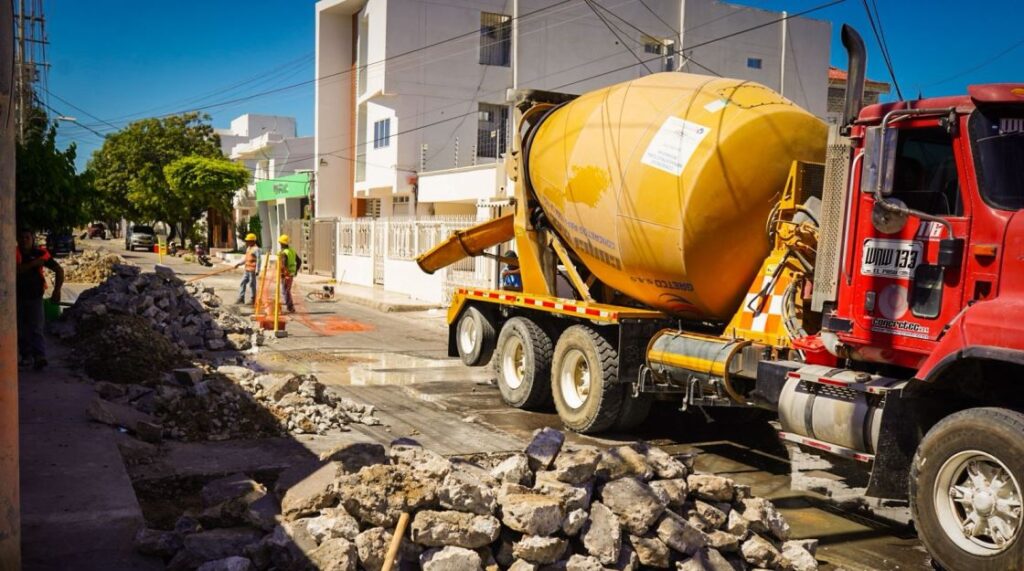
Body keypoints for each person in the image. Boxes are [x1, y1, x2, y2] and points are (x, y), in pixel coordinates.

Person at [15, 228, 63, 370]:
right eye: (22, 237)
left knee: (36, 327)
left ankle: (39, 356)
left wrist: (57, 290)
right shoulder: (12, 253)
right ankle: (26, 356)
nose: (24, 240)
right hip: (16, 297)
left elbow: (59, 270)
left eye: (27, 237)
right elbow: (15, 270)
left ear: (32, 239)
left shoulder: (40, 253)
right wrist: (33, 264)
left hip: (35, 296)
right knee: (21, 329)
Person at [234, 233, 262, 304]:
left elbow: (259, 260)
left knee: (252, 285)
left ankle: (253, 299)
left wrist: (257, 270)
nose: (247, 242)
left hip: (252, 270)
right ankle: (241, 298)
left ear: (253, 241)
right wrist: (239, 264)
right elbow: (246, 259)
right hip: (247, 270)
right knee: (242, 283)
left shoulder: (256, 249)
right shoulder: (248, 248)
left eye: (248, 241)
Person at [277, 234, 297, 313]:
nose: (280, 244)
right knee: (287, 290)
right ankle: (290, 306)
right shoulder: (291, 250)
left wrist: (285, 273)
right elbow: (299, 261)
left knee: (285, 291)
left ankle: (290, 307)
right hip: (291, 273)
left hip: (286, 274)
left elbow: (283, 264)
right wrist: (295, 271)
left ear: (282, 243)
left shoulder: (284, 253)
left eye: (280, 243)